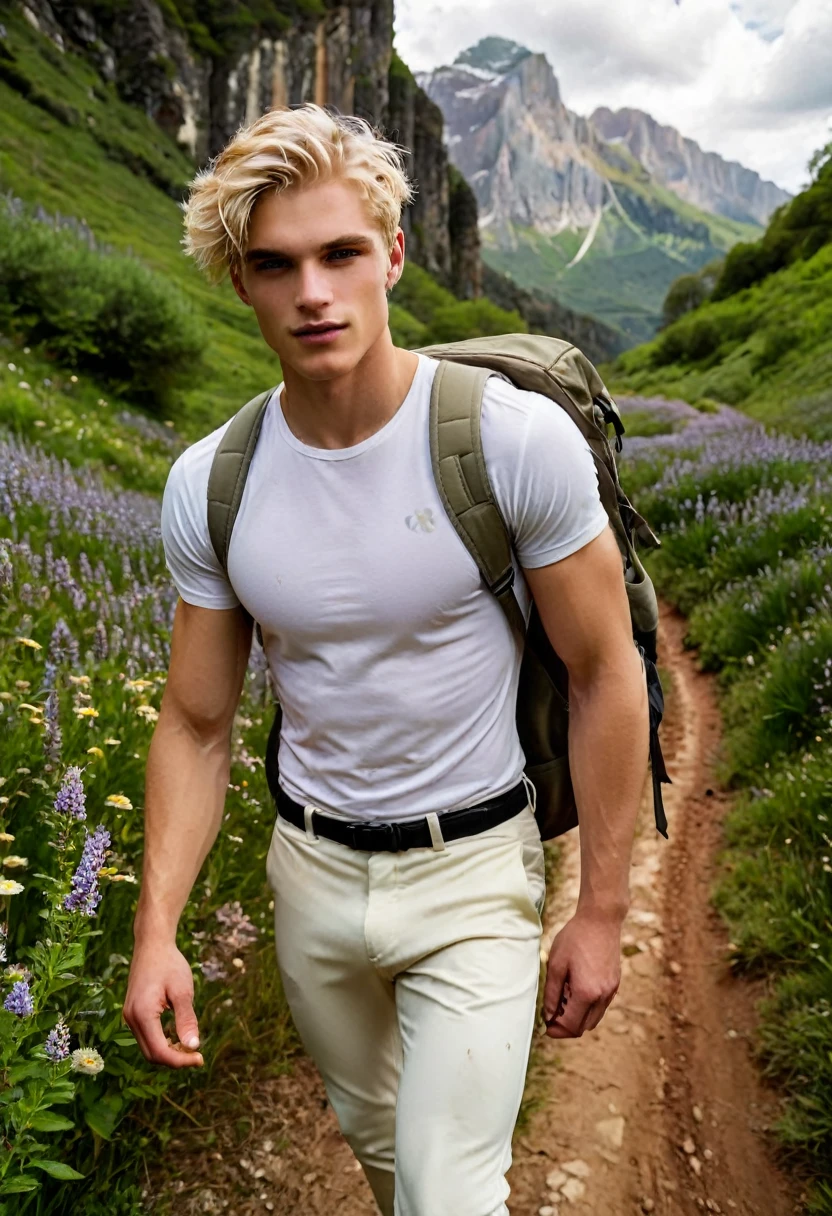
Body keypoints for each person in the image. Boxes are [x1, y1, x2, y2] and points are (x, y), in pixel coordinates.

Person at [123, 101, 649, 1215]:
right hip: (309, 875)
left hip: (471, 868)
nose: (312, 292)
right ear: (240, 282)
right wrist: (155, 927)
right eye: (275, 265)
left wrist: (600, 910)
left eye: (341, 254)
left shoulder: (509, 440)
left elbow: (606, 669)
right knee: (379, 1149)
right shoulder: (210, 482)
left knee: (443, 1192)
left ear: (393, 256)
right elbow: (196, 721)